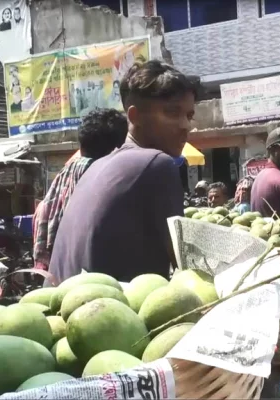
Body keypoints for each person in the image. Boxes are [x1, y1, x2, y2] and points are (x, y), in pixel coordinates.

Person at [49, 60, 197, 282]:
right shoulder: (158, 164)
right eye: (172, 113)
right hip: (103, 311)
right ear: (134, 116)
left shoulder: (96, 165)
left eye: (189, 116)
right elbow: (187, 265)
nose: (185, 126)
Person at [33, 109, 127, 271]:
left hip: (58, 267)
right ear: (118, 147)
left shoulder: (66, 172)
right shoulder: (104, 174)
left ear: (81, 144)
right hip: (87, 270)